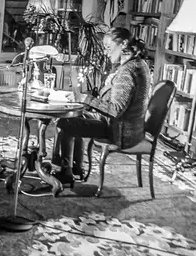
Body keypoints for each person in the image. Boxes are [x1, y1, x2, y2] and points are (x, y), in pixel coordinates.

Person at [53, 27, 151, 185]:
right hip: (129, 128)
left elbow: (115, 110)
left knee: (65, 122)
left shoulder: (127, 71)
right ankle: (75, 168)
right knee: (76, 116)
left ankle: (66, 171)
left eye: (108, 47)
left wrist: (85, 98)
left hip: (120, 132)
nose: (106, 52)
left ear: (123, 44)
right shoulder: (138, 63)